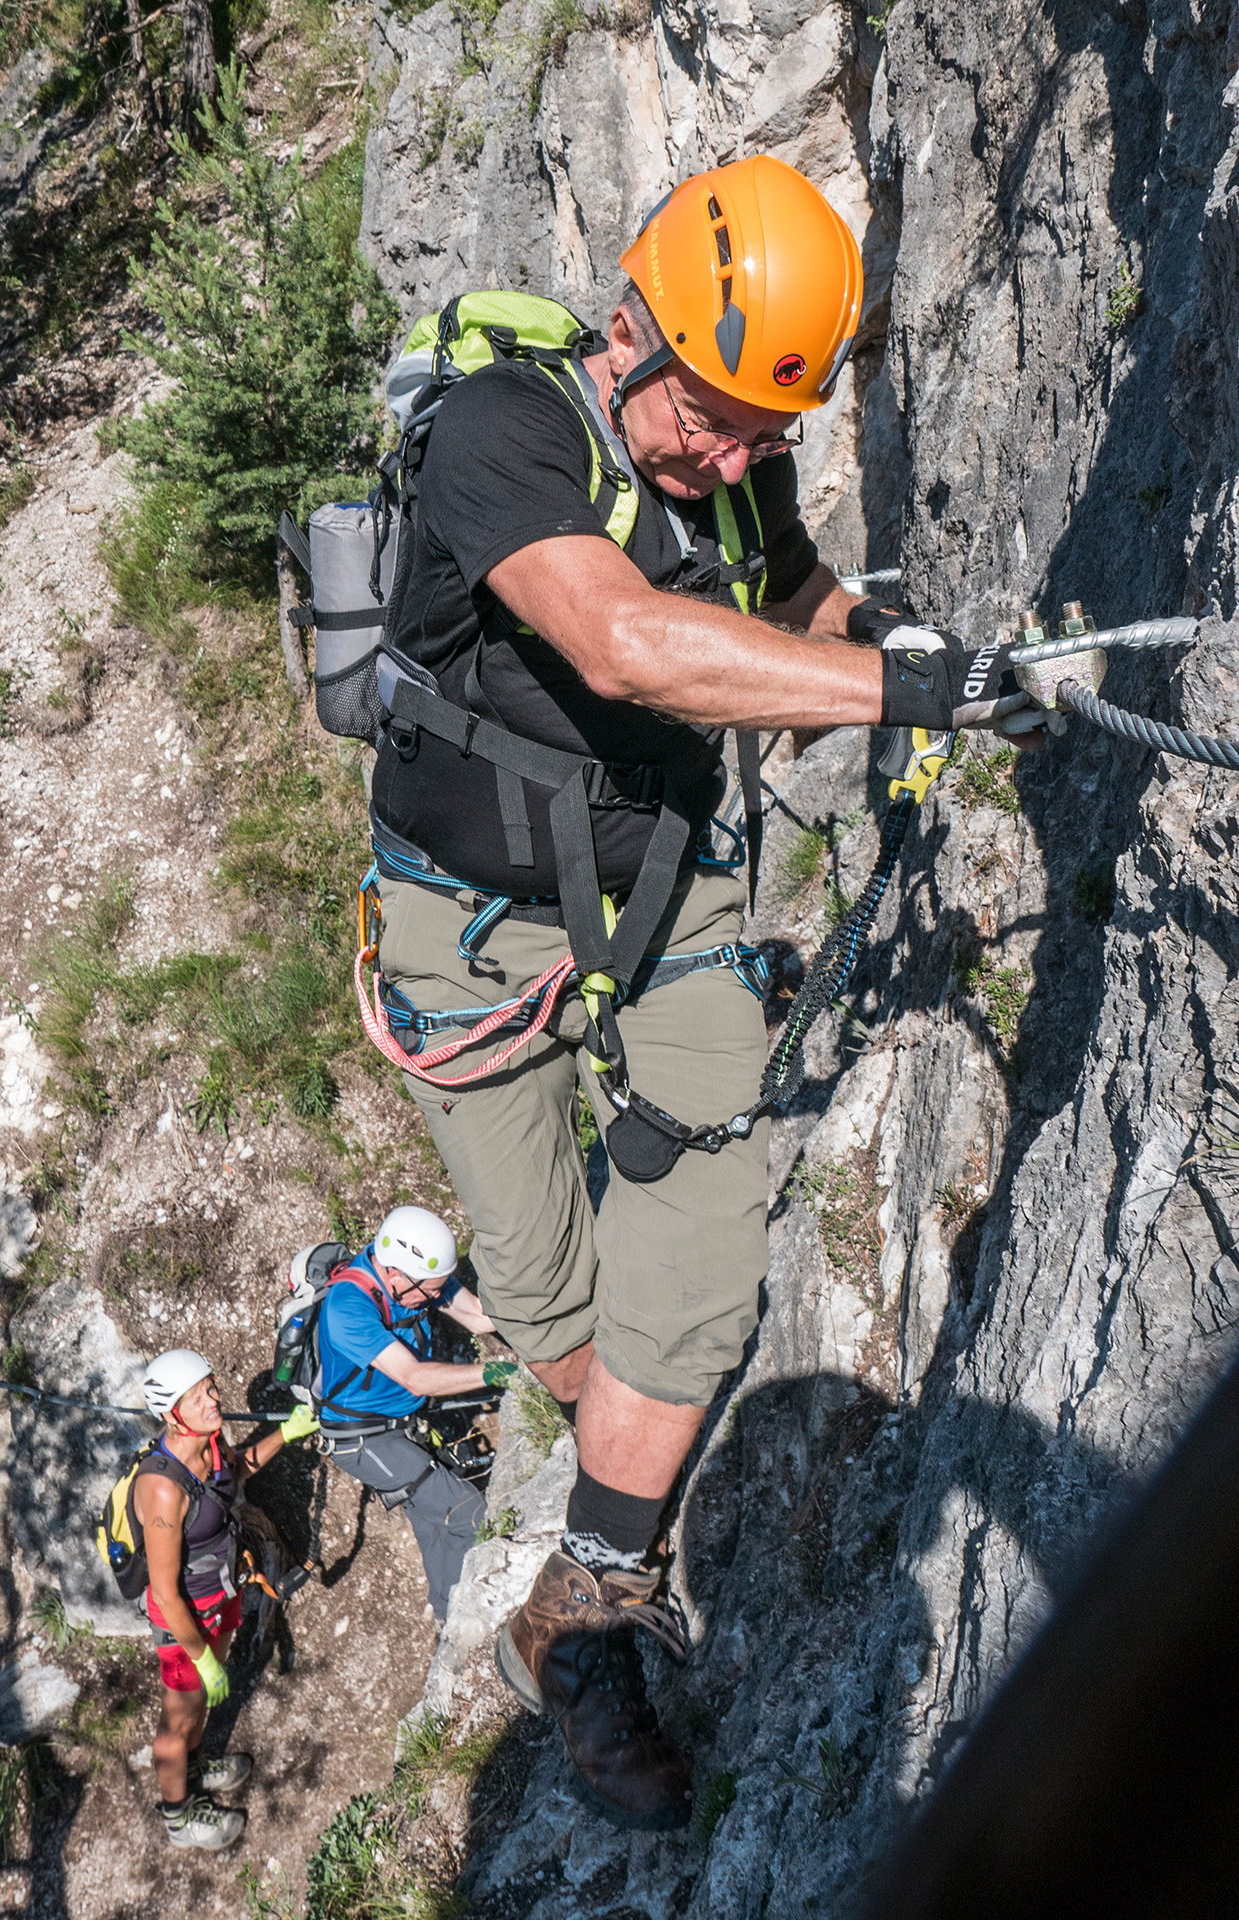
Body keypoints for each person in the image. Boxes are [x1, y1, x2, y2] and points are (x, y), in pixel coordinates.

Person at [367, 154, 1041, 1828]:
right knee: (561, 1319)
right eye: (716, 420)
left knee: (700, 1273)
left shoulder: (736, 478)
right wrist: (903, 693)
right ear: (633, 331)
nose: (739, 458)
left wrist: (934, 654)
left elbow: (802, 611)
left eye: (765, 432)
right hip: (467, 930)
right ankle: (609, 1512)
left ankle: (589, 1620)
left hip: (667, 892)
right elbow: (624, 646)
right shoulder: (505, 433)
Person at [137, 1348, 320, 1851]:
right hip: (183, 1621)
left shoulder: (212, 1445)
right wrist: (201, 1657)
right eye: (197, 1397)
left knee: (198, 1706)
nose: (213, 1399)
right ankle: (179, 1819)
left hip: (222, 1597)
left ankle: (198, 1766)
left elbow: (235, 1476)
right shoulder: (161, 1488)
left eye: (212, 1387)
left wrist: (286, 1432)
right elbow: (165, 1590)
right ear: (172, 1414)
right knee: (177, 1721)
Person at [311, 1204, 514, 1623]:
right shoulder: (346, 1309)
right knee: (469, 1513)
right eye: (430, 1290)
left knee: (434, 1524)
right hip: (361, 1439)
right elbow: (416, 1378)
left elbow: (477, 1317)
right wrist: (496, 1372)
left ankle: (447, 1616)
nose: (436, 1295)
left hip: (401, 1425)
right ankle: (470, 1617)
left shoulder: (415, 1276)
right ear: (397, 1277)